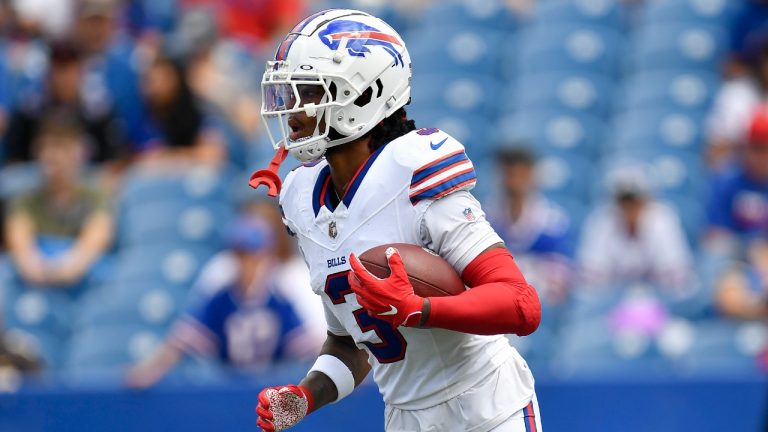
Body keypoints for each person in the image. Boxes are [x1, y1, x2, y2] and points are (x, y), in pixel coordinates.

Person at [251, 9, 542, 432]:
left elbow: (521, 305)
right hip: (405, 419)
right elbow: (353, 342)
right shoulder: (301, 198)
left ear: (365, 95)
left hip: (487, 409)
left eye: (310, 91)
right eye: (289, 93)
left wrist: (420, 309)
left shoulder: (412, 171)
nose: (292, 110)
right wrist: (305, 397)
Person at [125, 216, 312, 389]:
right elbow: (183, 339)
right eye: (240, 255)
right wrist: (151, 368)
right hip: (229, 391)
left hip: (268, 391)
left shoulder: (278, 300)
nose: (246, 263)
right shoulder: (221, 299)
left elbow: (305, 345)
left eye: (252, 255)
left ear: (265, 257)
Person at [4, 113, 113, 287]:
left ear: (78, 152)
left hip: (79, 280)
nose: (52, 156)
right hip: (36, 279)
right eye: (46, 147)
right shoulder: (25, 198)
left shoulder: (96, 196)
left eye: (61, 147)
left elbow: (97, 237)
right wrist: (34, 267)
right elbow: (20, 241)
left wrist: (67, 269)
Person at [577, 165, 695, 294]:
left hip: (658, 299)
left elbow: (678, 278)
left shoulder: (663, 219)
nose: (629, 208)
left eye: (635, 201)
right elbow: (590, 279)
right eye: (623, 202)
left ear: (646, 201)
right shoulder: (602, 221)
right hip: (611, 302)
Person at [487, 146, 573, 306]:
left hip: (538, 303)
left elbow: (561, 281)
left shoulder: (552, 222)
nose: (514, 182)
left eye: (521, 174)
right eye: (509, 174)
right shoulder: (485, 218)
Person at [706, 105, 768, 257]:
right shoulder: (726, 180)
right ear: (745, 147)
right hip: (734, 262)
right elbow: (714, 237)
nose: (762, 156)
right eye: (757, 148)